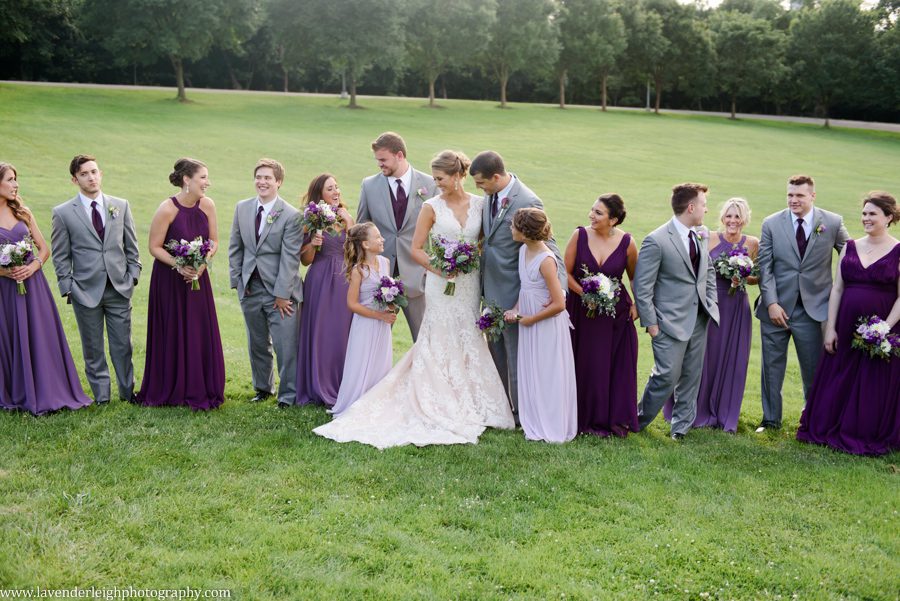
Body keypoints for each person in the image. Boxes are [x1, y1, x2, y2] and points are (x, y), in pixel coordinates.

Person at [314, 150, 514, 448]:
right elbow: (416, 249)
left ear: (458, 176)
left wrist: (470, 260)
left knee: (468, 334)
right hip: (440, 283)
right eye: (434, 179)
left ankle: (472, 397)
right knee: (439, 336)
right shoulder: (431, 207)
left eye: (440, 178)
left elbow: (486, 242)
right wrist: (442, 268)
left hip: (469, 283)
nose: (436, 184)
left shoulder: (481, 205)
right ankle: (437, 396)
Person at [798, 192, 900, 455]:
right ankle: (830, 424)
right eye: (864, 213)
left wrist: (884, 329)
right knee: (839, 376)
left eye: (872, 214)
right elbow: (837, 289)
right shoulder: (850, 246)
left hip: (881, 328)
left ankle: (862, 430)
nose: (866, 218)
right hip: (846, 325)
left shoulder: (898, 251)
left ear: (889, 217)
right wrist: (830, 328)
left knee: (871, 382)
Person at [470, 150, 566, 423]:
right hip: (490, 286)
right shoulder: (491, 196)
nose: (479, 188)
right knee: (496, 353)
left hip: (513, 290)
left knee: (515, 356)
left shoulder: (528, 200)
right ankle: (503, 408)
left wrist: (559, 289)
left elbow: (550, 245)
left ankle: (522, 413)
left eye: (481, 183)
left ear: (496, 177)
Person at [755, 175, 849, 432]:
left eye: (799, 195)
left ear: (812, 196)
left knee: (813, 369)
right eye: (790, 195)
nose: (793, 200)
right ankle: (770, 420)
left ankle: (812, 419)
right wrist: (771, 303)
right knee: (771, 368)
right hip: (775, 308)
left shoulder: (832, 222)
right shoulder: (771, 223)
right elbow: (765, 267)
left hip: (814, 309)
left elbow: (850, 255)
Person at [0, 162, 92, 415]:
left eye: (16, 179)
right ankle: (15, 390)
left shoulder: (23, 212)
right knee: (9, 336)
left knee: (39, 334)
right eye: (10, 179)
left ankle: (48, 387)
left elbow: (43, 249)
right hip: (4, 290)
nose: (16, 184)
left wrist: (32, 267)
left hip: (33, 286)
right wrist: (4, 272)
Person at [50, 154, 141, 404]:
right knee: (92, 348)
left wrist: (132, 276)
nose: (91, 177)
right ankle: (102, 397)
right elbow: (60, 256)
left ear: (100, 174)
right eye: (84, 174)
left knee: (123, 345)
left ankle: (127, 393)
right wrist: (68, 288)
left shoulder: (120, 205)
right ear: (74, 180)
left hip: (119, 287)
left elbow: (132, 247)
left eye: (94, 172)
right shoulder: (63, 213)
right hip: (84, 291)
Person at [663, 198, 759, 433]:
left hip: (736, 307)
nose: (732, 221)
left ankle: (723, 411)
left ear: (744, 219)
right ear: (722, 217)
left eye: (737, 216)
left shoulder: (753, 243)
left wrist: (742, 276)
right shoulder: (708, 237)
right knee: (703, 356)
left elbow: (757, 277)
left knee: (732, 358)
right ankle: (691, 408)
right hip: (710, 304)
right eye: (729, 216)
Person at [135, 158, 224, 410]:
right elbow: (154, 247)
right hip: (170, 282)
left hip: (198, 279)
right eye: (203, 177)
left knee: (197, 330)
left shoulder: (208, 205)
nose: (207, 183)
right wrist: (179, 265)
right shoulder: (167, 209)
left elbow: (214, 241)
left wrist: (201, 265)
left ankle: (199, 386)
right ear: (187, 180)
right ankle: (171, 387)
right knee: (173, 330)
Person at [634, 183, 719, 440]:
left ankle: (680, 428)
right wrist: (651, 325)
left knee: (692, 377)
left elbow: (707, 272)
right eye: (703, 204)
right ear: (691, 207)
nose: (706, 209)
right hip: (668, 324)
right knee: (666, 377)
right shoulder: (657, 240)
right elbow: (642, 287)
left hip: (699, 319)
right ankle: (637, 421)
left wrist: (711, 303)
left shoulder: (700, 234)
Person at [228, 159, 303, 407]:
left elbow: (290, 259)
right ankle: (263, 388)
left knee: (285, 346)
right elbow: (235, 247)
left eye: (268, 178)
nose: (262, 182)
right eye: (259, 177)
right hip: (250, 288)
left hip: (280, 292)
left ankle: (288, 395)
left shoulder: (292, 216)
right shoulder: (242, 208)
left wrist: (282, 295)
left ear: (278, 182)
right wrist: (238, 281)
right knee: (257, 342)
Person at [564, 194, 639, 437]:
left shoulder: (628, 243)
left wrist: (637, 305)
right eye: (592, 210)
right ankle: (582, 416)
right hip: (582, 313)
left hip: (614, 315)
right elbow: (565, 273)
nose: (591, 216)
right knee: (586, 363)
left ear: (613, 219)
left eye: (598, 213)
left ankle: (612, 418)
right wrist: (584, 293)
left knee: (612, 365)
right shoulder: (579, 235)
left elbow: (634, 278)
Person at [505, 208, 577, 443]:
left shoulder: (546, 261)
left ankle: (552, 424)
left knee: (547, 371)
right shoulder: (523, 250)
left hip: (545, 323)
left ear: (525, 232)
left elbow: (559, 304)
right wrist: (515, 309)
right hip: (528, 316)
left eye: (514, 225)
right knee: (532, 369)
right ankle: (534, 419)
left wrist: (530, 319)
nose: (511, 228)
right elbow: (526, 288)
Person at [356, 132, 437, 341]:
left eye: (383, 159)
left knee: (425, 341)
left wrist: (430, 269)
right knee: (375, 341)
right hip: (379, 280)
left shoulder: (430, 185)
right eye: (377, 160)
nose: (379, 164)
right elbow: (361, 230)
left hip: (418, 278)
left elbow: (439, 232)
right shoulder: (369, 186)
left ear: (399, 155)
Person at [295, 173, 354, 408]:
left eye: (337, 187)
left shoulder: (345, 216)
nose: (336, 192)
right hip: (320, 280)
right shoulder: (310, 219)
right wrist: (312, 244)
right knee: (322, 332)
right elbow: (306, 260)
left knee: (342, 333)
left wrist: (350, 223)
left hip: (345, 281)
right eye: (330, 189)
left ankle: (342, 384)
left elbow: (357, 253)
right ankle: (318, 384)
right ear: (319, 194)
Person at [328, 223, 397, 417]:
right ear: (366, 244)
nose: (382, 239)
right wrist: (379, 315)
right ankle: (356, 403)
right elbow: (352, 304)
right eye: (378, 237)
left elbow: (388, 291)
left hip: (382, 324)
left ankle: (377, 403)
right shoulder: (358, 270)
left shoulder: (385, 263)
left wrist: (392, 305)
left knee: (380, 363)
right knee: (362, 362)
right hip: (365, 325)